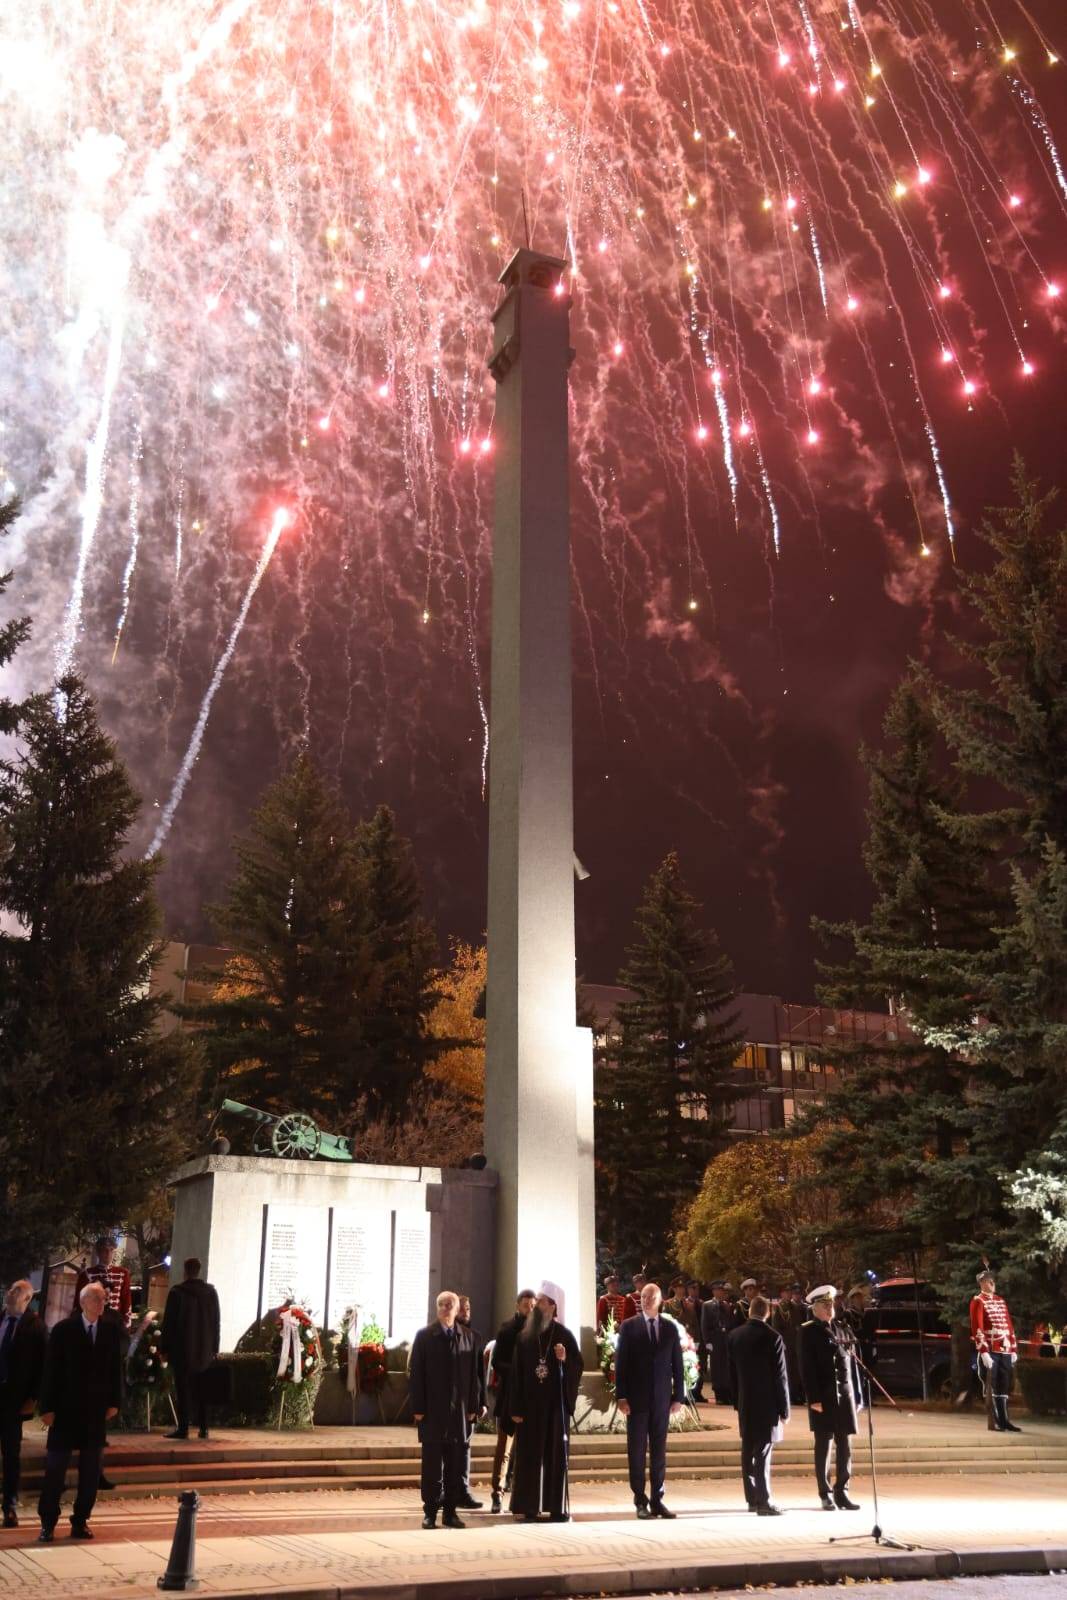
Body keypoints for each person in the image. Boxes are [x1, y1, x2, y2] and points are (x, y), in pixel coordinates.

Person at [36, 1282, 122, 1542]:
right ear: (83, 1302)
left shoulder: (109, 1331)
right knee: (55, 1470)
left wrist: (115, 1401)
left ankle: (80, 1520)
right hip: (64, 1411)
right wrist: (46, 1407)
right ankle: (48, 1522)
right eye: (96, 1299)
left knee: (91, 1471)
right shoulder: (64, 1330)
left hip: (94, 1412)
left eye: (103, 1299)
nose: (101, 1304)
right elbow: (50, 1370)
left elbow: (115, 1369)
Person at [509, 1280, 583, 1522]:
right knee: (529, 1456)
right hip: (530, 1407)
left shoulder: (564, 1336)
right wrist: (516, 1407)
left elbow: (577, 1366)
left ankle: (555, 1507)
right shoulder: (524, 1336)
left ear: (552, 1306)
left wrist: (565, 1359)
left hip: (554, 1407)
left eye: (541, 1301)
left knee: (554, 1457)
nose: (536, 1305)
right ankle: (529, 1506)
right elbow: (516, 1374)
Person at [409, 1290, 484, 1529]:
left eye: (449, 1305)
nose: (444, 1308)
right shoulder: (424, 1336)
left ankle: (450, 1512)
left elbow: (474, 1376)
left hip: (459, 1413)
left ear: (457, 1309)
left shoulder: (469, 1337)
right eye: (440, 1304)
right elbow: (416, 1374)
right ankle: (430, 1511)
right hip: (432, 1411)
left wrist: (474, 1405)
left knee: (455, 1464)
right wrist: (418, 1407)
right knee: (432, 1465)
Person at [614, 1281, 684, 1519]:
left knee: (659, 1453)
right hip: (636, 1400)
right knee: (636, 1451)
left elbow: (678, 1365)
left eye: (650, 1298)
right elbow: (621, 1364)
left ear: (660, 1301)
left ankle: (657, 1500)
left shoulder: (669, 1328)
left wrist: (679, 1397)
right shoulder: (629, 1327)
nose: (645, 1301)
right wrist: (621, 1396)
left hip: (662, 1401)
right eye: (643, 1297)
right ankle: (640, 1500)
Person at [798, 1284, 862, 1512]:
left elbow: (853, 1366)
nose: (830, 1308)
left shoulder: (842, 1329)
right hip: (823, 1397)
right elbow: (807, 1369)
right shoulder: (809, 1331)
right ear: (815, 1308)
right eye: (825, 1305)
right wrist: (813, 1398)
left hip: (844, 1397)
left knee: (845, 1444)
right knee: (824, 1445)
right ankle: (825, 1493)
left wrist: (858, 1396)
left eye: (831, 1304)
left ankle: (842, 1491)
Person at [727, 1294, 790, 1516]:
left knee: (747, 1450)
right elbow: (780, 1376)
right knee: (763, 1452)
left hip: (745, 1401)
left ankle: (752, 1499)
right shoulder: (773, 1337)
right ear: (768, 1312)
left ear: (749, 1310)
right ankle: (764, 1501)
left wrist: (736, 1400)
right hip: (767, 1403)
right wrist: (785, 1409)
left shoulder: (735, 1336)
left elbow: (732, 1374)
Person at [0, 1279, 47, 1528]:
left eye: (16, 1292)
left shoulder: (35, 1327)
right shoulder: (1, 1319)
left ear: (27, 1299)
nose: (10, 1294)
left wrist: (33, 1399)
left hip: (14, 1401)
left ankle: (9, 1505)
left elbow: (44, 1366)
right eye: (10, 1290)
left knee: (10, 1454)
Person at [160, 1258, 221, 1441]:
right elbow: (216, 1321)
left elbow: (168, 1324)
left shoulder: (177, 1293)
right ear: (199, 1271)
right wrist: (214, 1347)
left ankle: (184, 1427)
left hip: (182, 1350)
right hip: (204, 1350)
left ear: (185, 1272)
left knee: (183, 1389)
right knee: (203, 1389)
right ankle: (204, 1428)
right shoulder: (211, 1292)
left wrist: (165, 1348)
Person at [487, 1289, 536, 1512]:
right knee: (504, 1446)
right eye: (526, 1305)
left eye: (533, 1305)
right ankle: (497, 1492)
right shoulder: (507, 1329)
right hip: (509, 1395)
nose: (530, 1308)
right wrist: (518, 1372)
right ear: (518, 1306)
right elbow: (497, 1361)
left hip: (530, 1398)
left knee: (526, 1447)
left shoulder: (539, 1330)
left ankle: (522, 1494)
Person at [970, 1269, 1020, 1432]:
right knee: (992, 1385)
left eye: (992, 1281)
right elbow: (977, 1327)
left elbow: (1009, 1326)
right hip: (990, 1349)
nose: (992, 1284)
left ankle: (1005, 1420)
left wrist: (1013, 1348)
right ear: (982, 1284)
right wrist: (983, 1351)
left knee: (1004, 1385)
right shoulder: (978, 1301)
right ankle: (996, 1421)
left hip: (1004, 1349)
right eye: (988, 1281)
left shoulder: (1000, 1301)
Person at [454, 1294, 485, 1509]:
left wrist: (481, 1402)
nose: (466, 1312)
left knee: (465, 1447)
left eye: (468, 1308)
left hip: (468, 1403)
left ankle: (463, 1491)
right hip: (449, 1403)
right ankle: (446, 1491)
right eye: (462, 1308)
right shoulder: (442, 1336)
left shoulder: (474, 1337)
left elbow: (479, 1374)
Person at [74, 1239, 132, 1329]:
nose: (108, 1253)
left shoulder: (123, 1273)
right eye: (104, 1250)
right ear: (98, 1252)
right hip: (93, 1322)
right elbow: (79, 1302)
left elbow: (126, 1300)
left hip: (115, 1323)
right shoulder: (86, 1274)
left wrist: (125, 1324)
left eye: (111, 1250)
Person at [701, 1282, 736, 1404]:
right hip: (715, 1338)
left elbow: (731, 1323)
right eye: (719, 1290)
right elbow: (704, 1325)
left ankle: (727, 1393)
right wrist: (707, 1342)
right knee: (717, 1366)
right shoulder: (707, 1305)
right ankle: (719, 1393)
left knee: (726, 1366)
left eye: (723, 1290)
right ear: (714, 1291)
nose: (722, 1292)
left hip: (726, 1337)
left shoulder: (727, 1305)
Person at [772, 1284, 806, 1405]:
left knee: (796, 1370)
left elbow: (798, 1324)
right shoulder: (779, 1308)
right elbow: (776, 1328)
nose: (788, 1294)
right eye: (786, 1292)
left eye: (789, 1292)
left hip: (795, 1342)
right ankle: (790, 1395)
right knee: (788, 1370)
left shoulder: (794, 1307)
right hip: (786, 1343)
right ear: (781, 1294)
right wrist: (780, 1342)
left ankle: (797, 1394)